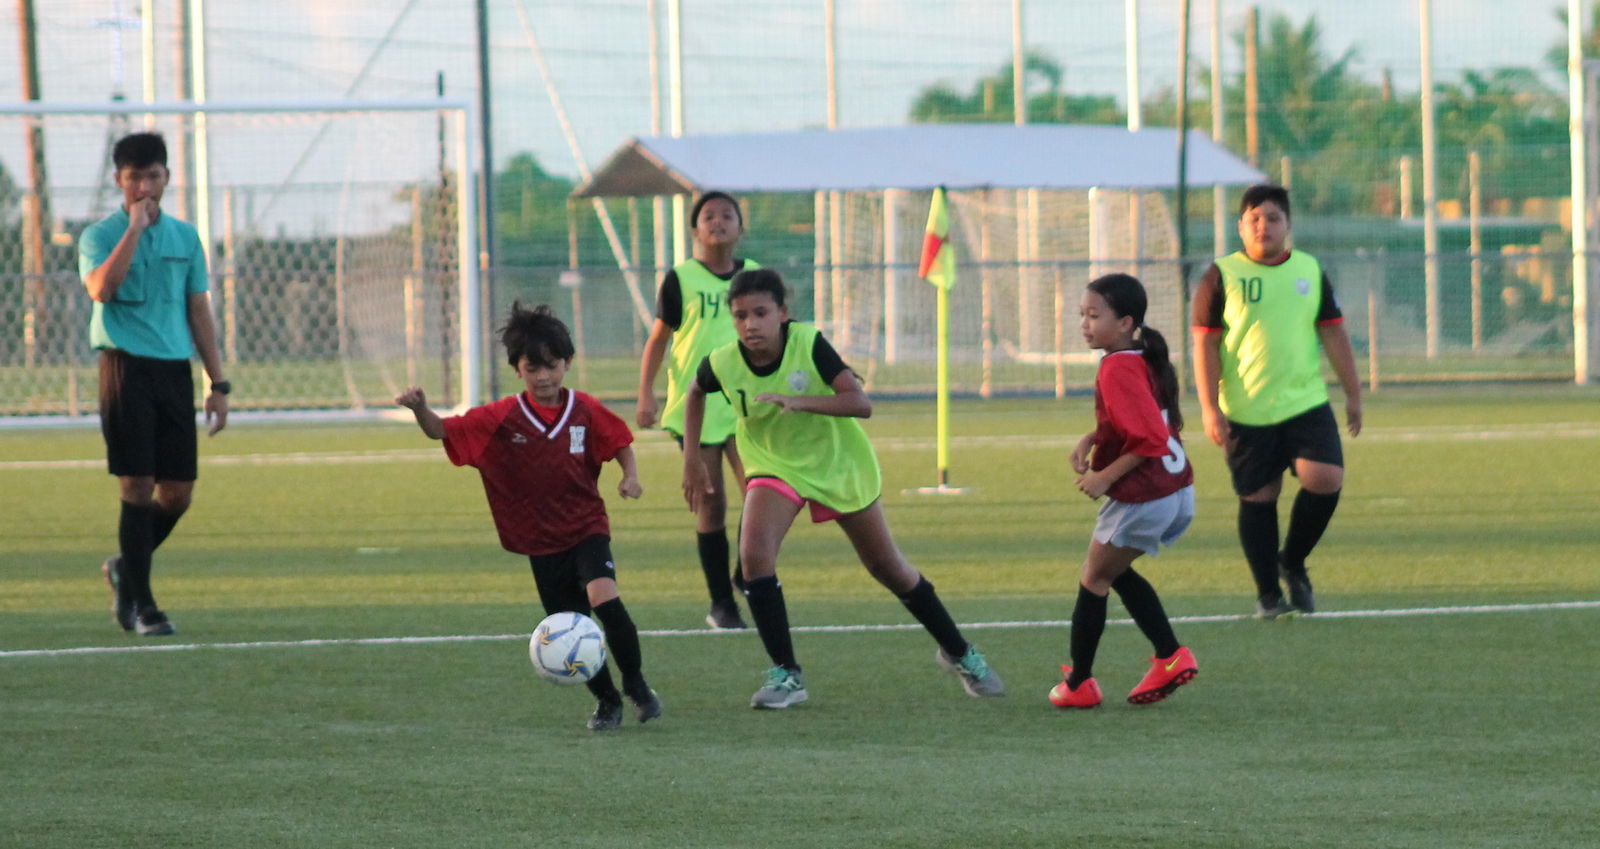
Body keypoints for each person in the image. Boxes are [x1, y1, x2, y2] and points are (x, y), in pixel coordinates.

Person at [681, 269, 1004, 709]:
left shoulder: (808, 343)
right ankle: (787, 675)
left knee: (887, 567)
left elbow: (860, 403)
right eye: (740, 316)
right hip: (774, 465)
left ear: (783, 313)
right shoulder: (723, 361)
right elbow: (695, 393)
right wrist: (693, 461)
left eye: (760, 313)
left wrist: (799, 401)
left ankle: (960, 652)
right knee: (754, 555)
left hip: (837, 465)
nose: (750, 324)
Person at [396, 303, 660, 732]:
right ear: (517, 369)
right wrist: (419, 409)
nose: (544, 377)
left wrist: (630, 476)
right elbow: (443, 430)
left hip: (586, 527)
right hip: (541, 542)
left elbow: (620, 441)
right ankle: (607, 701)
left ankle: (636, 685)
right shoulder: (502, 416)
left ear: (567, 363)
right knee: (569, 627)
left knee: (603, 599)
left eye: (552, 366)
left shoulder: (585, 409)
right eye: (532, 367)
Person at [79, 132, 229, 638]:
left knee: (177, 494)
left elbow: (197, 309)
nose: (144, 186)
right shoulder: (100, 236)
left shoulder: (186, 238)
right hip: (125, 369)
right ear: (119, 181)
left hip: (172, 372)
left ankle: (125, 567)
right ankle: (142, 604)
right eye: (134, 177)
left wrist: (219, 381)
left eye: (153, 176)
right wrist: (135, 232)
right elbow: (102, 288)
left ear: (167, 178)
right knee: (137, 485)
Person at [1191, 185, 1363, 619]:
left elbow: (1334, 332)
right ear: (1241, 227)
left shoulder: (1309, 269)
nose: (1264, 227)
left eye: (1273, 218)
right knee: (1259, 498)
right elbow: (1205, 346)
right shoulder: (1221, 275)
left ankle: (1294, 559)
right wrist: (1210, 408)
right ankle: (1269, 595)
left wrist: (1354, 393)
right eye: (1255, 219)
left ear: (1288, 225)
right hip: (1246, 409)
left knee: (1325, 478)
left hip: (1305, 401)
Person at [1048, 274, 1199, 709]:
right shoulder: (1141, 356)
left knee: (1094, 577)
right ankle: (1169, 655)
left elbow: (1149, 437)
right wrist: (1094, 437)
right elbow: (1141, 418)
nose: (1085, 324)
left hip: (1146, 494)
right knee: (1115, 571)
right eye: (1083, 315)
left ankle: (1080, 683)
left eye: (1095, 315)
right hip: (1176, 490)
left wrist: (1103, 477)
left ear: (1126, 321)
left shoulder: (1116, 365)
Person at [637, 191, 758, 630]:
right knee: (711, 503)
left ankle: (745, 573)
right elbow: (659, 339)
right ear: (695, 231)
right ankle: (722, 604)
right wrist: (646, 394)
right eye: (709, 216)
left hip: (749, 403)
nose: (719, 221)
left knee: (764, 492)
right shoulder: (681, 278)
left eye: (728, 214)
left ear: (741, 228)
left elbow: (783, 331)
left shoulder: (757, 276)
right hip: (698, 404)